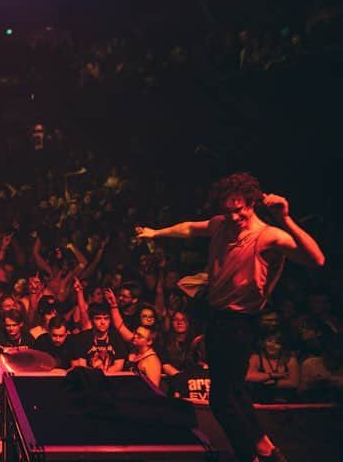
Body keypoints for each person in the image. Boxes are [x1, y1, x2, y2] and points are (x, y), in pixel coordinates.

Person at [136, 172, 325, 462]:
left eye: (241, 209)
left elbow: (316, 259)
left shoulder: (268, 236)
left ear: (252, 203)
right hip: (217, 316)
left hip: (238, 323)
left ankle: (251, 455)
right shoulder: (221, 225)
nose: (235, 216)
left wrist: (285, 218)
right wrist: (155, 233)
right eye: (229, 210)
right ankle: (265, 448)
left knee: (222, 401)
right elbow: (188, 228)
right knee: (233, 393)